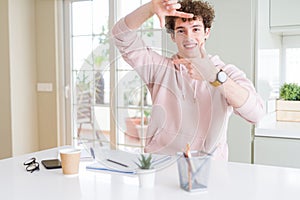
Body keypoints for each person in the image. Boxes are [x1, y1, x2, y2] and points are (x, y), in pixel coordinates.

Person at [112, 0, 265, 160]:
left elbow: (256, 114)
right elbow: (120, 35)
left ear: (207, 32)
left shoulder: (225, 73)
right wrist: (150, 8)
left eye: (195, 29)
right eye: (181, 31)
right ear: (172, 36)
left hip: (207, 171)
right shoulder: (159, 69)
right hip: (160, 164)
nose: (189, 37)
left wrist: (214, 76)